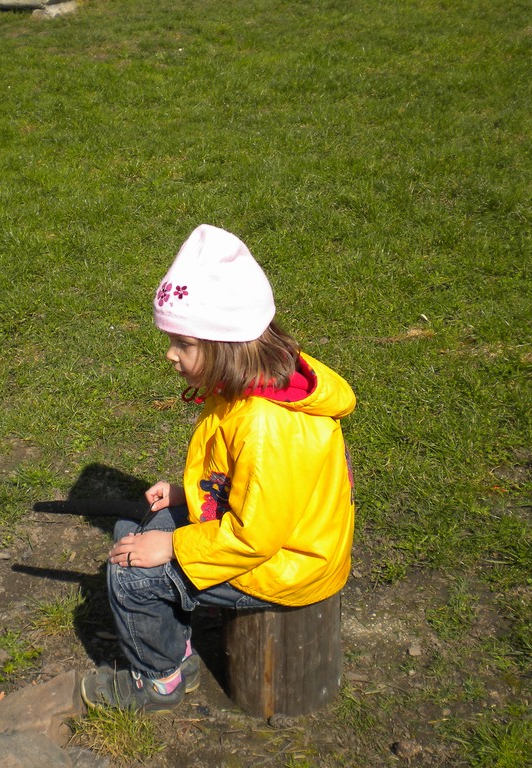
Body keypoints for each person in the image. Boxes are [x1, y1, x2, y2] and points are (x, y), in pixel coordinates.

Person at [81, 224, 356, 713]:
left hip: (286, 565)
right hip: (269, 535)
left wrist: (173, 546)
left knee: (130, 574)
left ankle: (160, 680)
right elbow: (245, 485)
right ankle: (176, 637)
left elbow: (255, 537)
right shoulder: (249, 383)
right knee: (132, 530)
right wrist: (187, 495)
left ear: (226, 344)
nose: (170, 354)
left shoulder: (265, 425)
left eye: (182, 343)